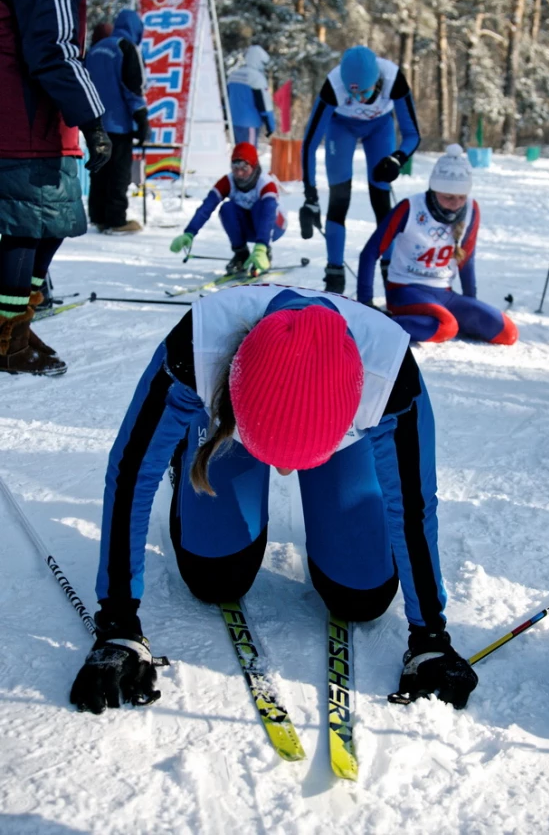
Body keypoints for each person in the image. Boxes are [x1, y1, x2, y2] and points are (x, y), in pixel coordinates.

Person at [69, 284, 478, 714]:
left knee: (362, 598)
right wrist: (118, 621)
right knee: (215, 578)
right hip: (230, 422)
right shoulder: (198, 347)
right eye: (279, 459)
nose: (286, 472)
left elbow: (413, 505)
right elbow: (132, 471)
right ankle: (194, 446)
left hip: (340, 430)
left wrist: (430, 636)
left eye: (294, 462)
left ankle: (314, 461)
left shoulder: (389, 373)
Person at [0, 0, 111, 377]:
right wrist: (93, 120)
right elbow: (55, 47)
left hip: (19, 109)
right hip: (27, 113)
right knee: (32, 224)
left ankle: (16, 324)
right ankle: (8, 335)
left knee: (39, 222)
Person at [357, 145, 518, 346]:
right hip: (405, 290)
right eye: (448, 197)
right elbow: (370, 252)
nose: (455, 203)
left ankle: (429, 323)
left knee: (506, 332)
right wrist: (365, 303)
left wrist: (471, 304)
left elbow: (466, 260)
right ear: (434, 189)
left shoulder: (471, 210)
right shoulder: (411, 207)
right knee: (446, 327)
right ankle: (373, 326)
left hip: (444, 294)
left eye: (461, 197)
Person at [300, 45, 421, 294]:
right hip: (341, 128)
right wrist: (310, 195)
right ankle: (334, 275)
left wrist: (397, 159)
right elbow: (310, 143)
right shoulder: (333, 85)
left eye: (364, 93)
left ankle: (390, 273)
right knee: (339, 197)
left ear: (376, 82)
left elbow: (412, 134)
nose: (358, 101)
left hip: (380, 128)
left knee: (380, 196)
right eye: (352, 95)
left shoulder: (392, 77)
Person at [170, 142, 287, 275]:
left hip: (275, 226)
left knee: (260, 206)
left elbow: (268, 214)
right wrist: (189, 232)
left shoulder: (266, 183)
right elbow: (207, 207)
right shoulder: (228, 181)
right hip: (251, 226)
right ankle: (241, 254)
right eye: (235, 167)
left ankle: (264, 252)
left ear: (254, 166)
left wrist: (261, 246)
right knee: (227, 208)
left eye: (244, 167)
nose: (239, 173)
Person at [85, 9, 150, 234]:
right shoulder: (126, 48)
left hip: (95, 122)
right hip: (119, 122)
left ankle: (98, 216)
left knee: (100, 169)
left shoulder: (94, 50)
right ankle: (116, 219)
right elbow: (133, 87)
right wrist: (141, 119)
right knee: (119, 172)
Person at [227, 45, 275, 145]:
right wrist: (270, 125)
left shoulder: (233, 75)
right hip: (250, 123)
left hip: (233, 122)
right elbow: (265, 105)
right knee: (248, 154)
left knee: (237, 153)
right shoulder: (257, 78)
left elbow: (226, 100)